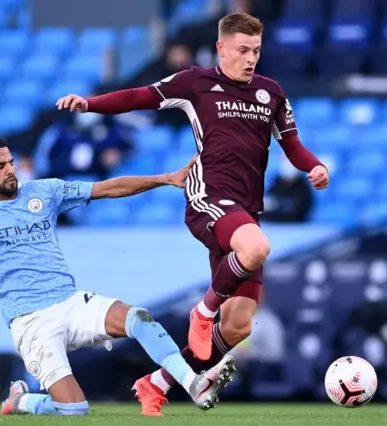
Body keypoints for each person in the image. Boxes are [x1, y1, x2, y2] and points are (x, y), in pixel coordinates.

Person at [56, 12, 329, 416]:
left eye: (256, 50)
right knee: (256, 247)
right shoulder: (195, 84)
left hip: (245, 210)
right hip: (209, 196)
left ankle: (157, 382)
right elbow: (139, 96)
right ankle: (201, 313)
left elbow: (293, 145)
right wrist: (90, 104)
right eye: (242, 50)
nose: (250, 58)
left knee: (237, 325)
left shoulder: (270, 93)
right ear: (221, 48)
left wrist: (313, 167)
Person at [0, 138, 236, 417]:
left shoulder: (44, 191)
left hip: (70, 302)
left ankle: (193, 384)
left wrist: (165, 178)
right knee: (75, 409)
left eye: (11, 162)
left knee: (138, 318)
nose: (10, 171)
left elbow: (108, 187)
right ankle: (22, 401)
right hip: (30, 321)